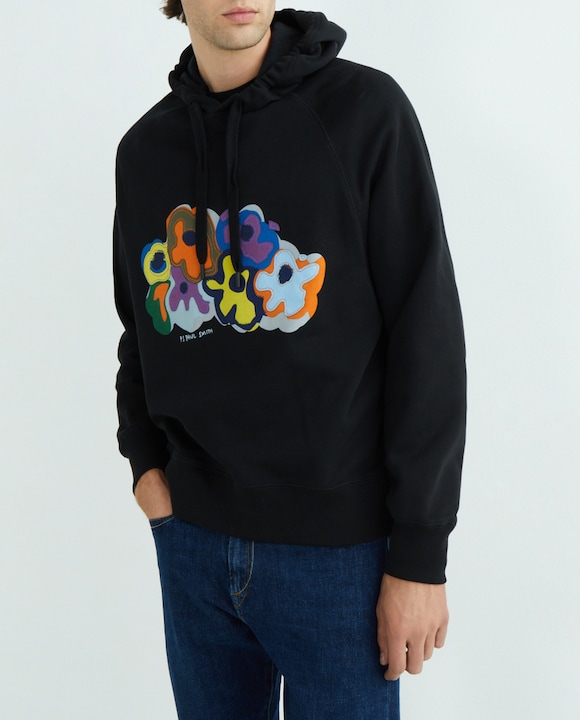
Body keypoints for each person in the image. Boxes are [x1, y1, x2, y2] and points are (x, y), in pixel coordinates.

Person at [113, 2, 466, 718]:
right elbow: (138, 329)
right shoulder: (145, 150)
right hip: (193, 544)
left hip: (339, 558)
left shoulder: (365, 112)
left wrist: (419, 555)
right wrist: (147, 468)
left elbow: (425, 332)